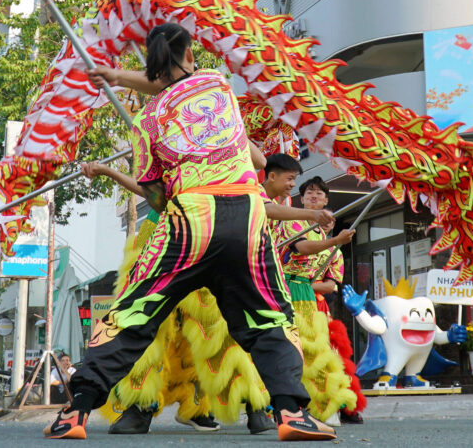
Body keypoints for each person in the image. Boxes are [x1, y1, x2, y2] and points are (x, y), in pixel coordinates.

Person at [52, 22, 333, 441]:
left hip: (188, 221)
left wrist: (115, 77)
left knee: (132, 315)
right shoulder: (217, 85)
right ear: (188, 54)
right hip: (247, 217)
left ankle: (76, 412)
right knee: (268, 318)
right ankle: (291, 412)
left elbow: (155, 197)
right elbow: (179, 89)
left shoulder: (144, 122)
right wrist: (119, 77)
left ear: (152, 64)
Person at [272, 174, 360, 423]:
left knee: (315, 350)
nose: (313, 196)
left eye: (319, 193)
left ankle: (320, 405)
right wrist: (336, 240)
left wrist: (334, 242)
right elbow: (301, 248)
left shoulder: (328, 243)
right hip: (284, 288)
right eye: (308, 192)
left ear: (326, 201)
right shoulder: (293, 223)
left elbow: (331, 284)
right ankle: (270, 407)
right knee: (284, 348)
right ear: (301, 199)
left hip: (308, 296)